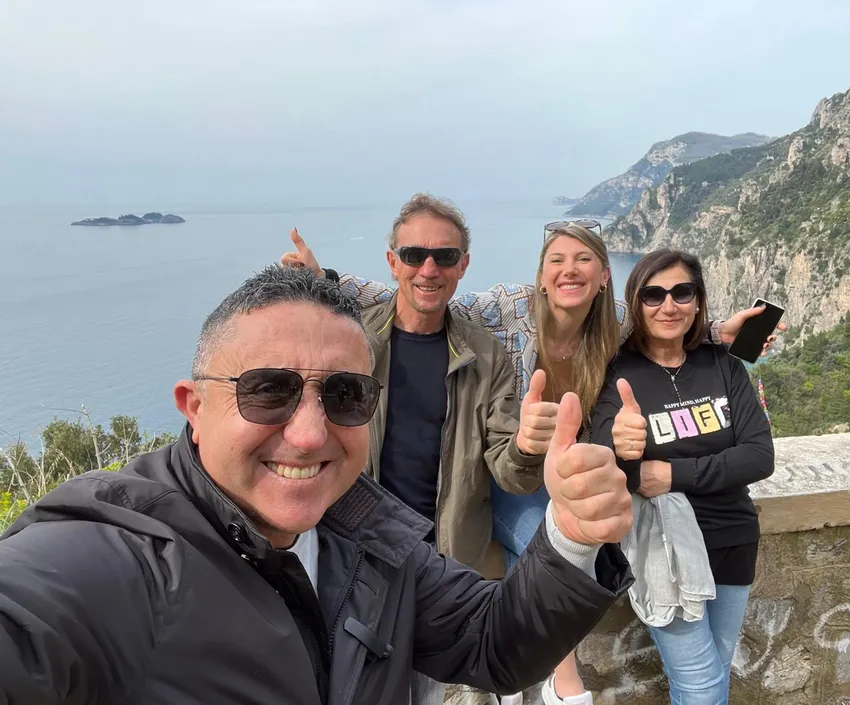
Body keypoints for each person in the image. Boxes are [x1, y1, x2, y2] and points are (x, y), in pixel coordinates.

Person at [0, 265, 637, 705]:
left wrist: (571, 537)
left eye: (345, 395)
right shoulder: (126, 553)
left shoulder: (368, 532)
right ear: (193, 408)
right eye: (267, 390)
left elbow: (497, 643)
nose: (309, 433)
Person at [283, 216, 781, 705]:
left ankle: (544, 677)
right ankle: (562, 676)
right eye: (557, 260)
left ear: (603, 276)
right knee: (546, 537)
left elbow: (667, 319)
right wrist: (326, 277)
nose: (570, 270)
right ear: (540, 276)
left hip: (560, 472)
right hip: (506, 470)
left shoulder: (613, 326)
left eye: (584, 259)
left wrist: (717, 332)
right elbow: (425, 291)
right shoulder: (507, 308)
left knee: (553, 528)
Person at [282, 194, 597, 704]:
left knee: (423, 696)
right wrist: (307, 285)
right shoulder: (355, 344)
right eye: (413, 255)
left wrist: (525, 446)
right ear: (392, 262)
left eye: (445, 257)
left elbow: (509, 471)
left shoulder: (484, 352)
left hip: (435, 564)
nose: (428, 269)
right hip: (355, 554)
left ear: (463, 266)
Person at [591, 249, 776, 705]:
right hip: (664, 548)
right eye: (653, 295)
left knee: (715, 667)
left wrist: (673, 473)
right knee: (701, 683)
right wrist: (625, 451)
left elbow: (759, 456)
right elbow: (614, 468)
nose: (668, 305)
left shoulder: (723, 365)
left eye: (681, 292)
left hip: (733, 536)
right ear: (636, 303)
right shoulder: (617, 374)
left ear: (698, 302)